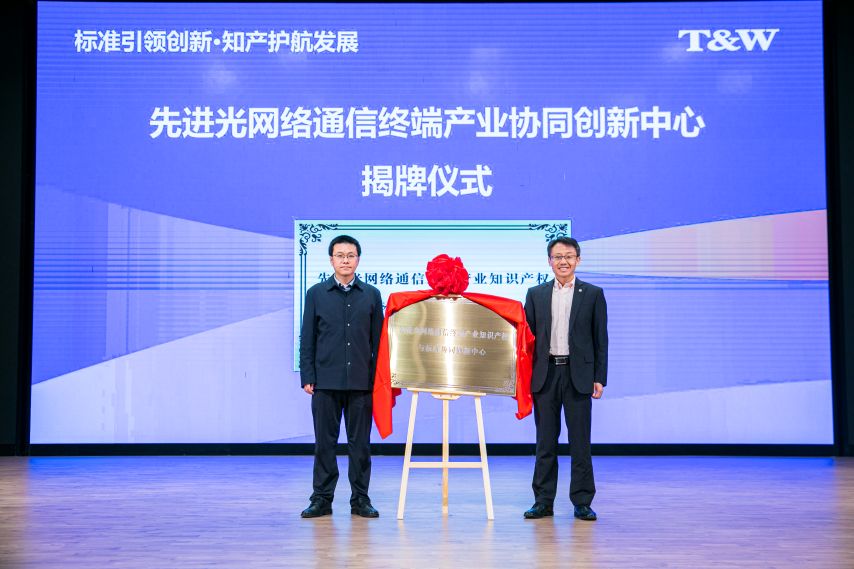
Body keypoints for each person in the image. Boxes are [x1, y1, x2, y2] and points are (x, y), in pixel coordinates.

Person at [523, 236, 608, 521]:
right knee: (545, 443)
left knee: (580, 442)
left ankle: (582, 502)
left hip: (578, 375)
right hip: (545, 375)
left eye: (569, 256)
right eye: (558, 257)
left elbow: (601, 340)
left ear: (578, 260)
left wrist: (600, 377)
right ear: (549, 261)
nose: (563, 261)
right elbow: (527, 341)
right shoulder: (535, 294)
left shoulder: (593, 294)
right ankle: (543, 501)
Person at [299, 235, 384, 518]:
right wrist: (308, 374)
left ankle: (360, 500)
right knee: (325, 444)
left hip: (362, 382)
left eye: (350, 255)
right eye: (340, 255)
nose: (345, 260)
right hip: (325, 381)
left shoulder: (371, 294)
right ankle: (321, 500)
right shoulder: (316, 294)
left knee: (360, 445)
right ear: (331, 260)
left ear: (358, 259)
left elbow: (379, 342)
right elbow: (308, 338)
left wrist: (379, 379)